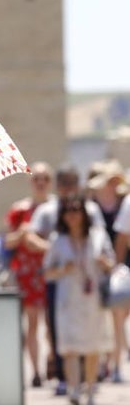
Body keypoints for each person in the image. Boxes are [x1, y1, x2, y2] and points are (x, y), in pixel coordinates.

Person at [28, 164, 105, 395]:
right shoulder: (48, 212)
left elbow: (100, 240)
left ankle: (88, 379)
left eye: (72, 182)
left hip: (88, 285)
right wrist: (58, 250)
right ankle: (65, 378)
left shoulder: (91, 209)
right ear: (58, 186)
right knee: (59, 331)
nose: (68, 187)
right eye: (64, 183)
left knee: (90, 334)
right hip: (61, 282)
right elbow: (32, 238)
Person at [42, 193, 114, 405]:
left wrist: (104, 263)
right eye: (68, 211)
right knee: (70, 347)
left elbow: (112, 263)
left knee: (92, 347)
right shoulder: (58, 240)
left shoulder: (98, 235)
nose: (72, 216)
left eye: (76, 210)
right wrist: (63, 269)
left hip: (92, 299)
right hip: (68, 298)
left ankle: (90, 388)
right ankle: (73, 389)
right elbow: (46, 272)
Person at [4, 162, 53, 386]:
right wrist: (22, 234)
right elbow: (8, 242)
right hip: (27, 272)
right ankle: (36, 371)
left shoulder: (58, 208)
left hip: (52, 270)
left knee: (51, 323)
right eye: (37, 179)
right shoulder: (20, 209)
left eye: (45, 179)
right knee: (32, 323)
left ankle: (53, 362)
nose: (41, 183)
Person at [88, 160, 129, 383]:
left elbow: (123, 239)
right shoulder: (92, 204)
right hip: (97, 265)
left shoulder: (123, 201)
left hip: (118, 267)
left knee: (118, 316)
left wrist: (117, 267)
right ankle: (105, 362)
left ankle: (115, 365)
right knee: (100, 317)